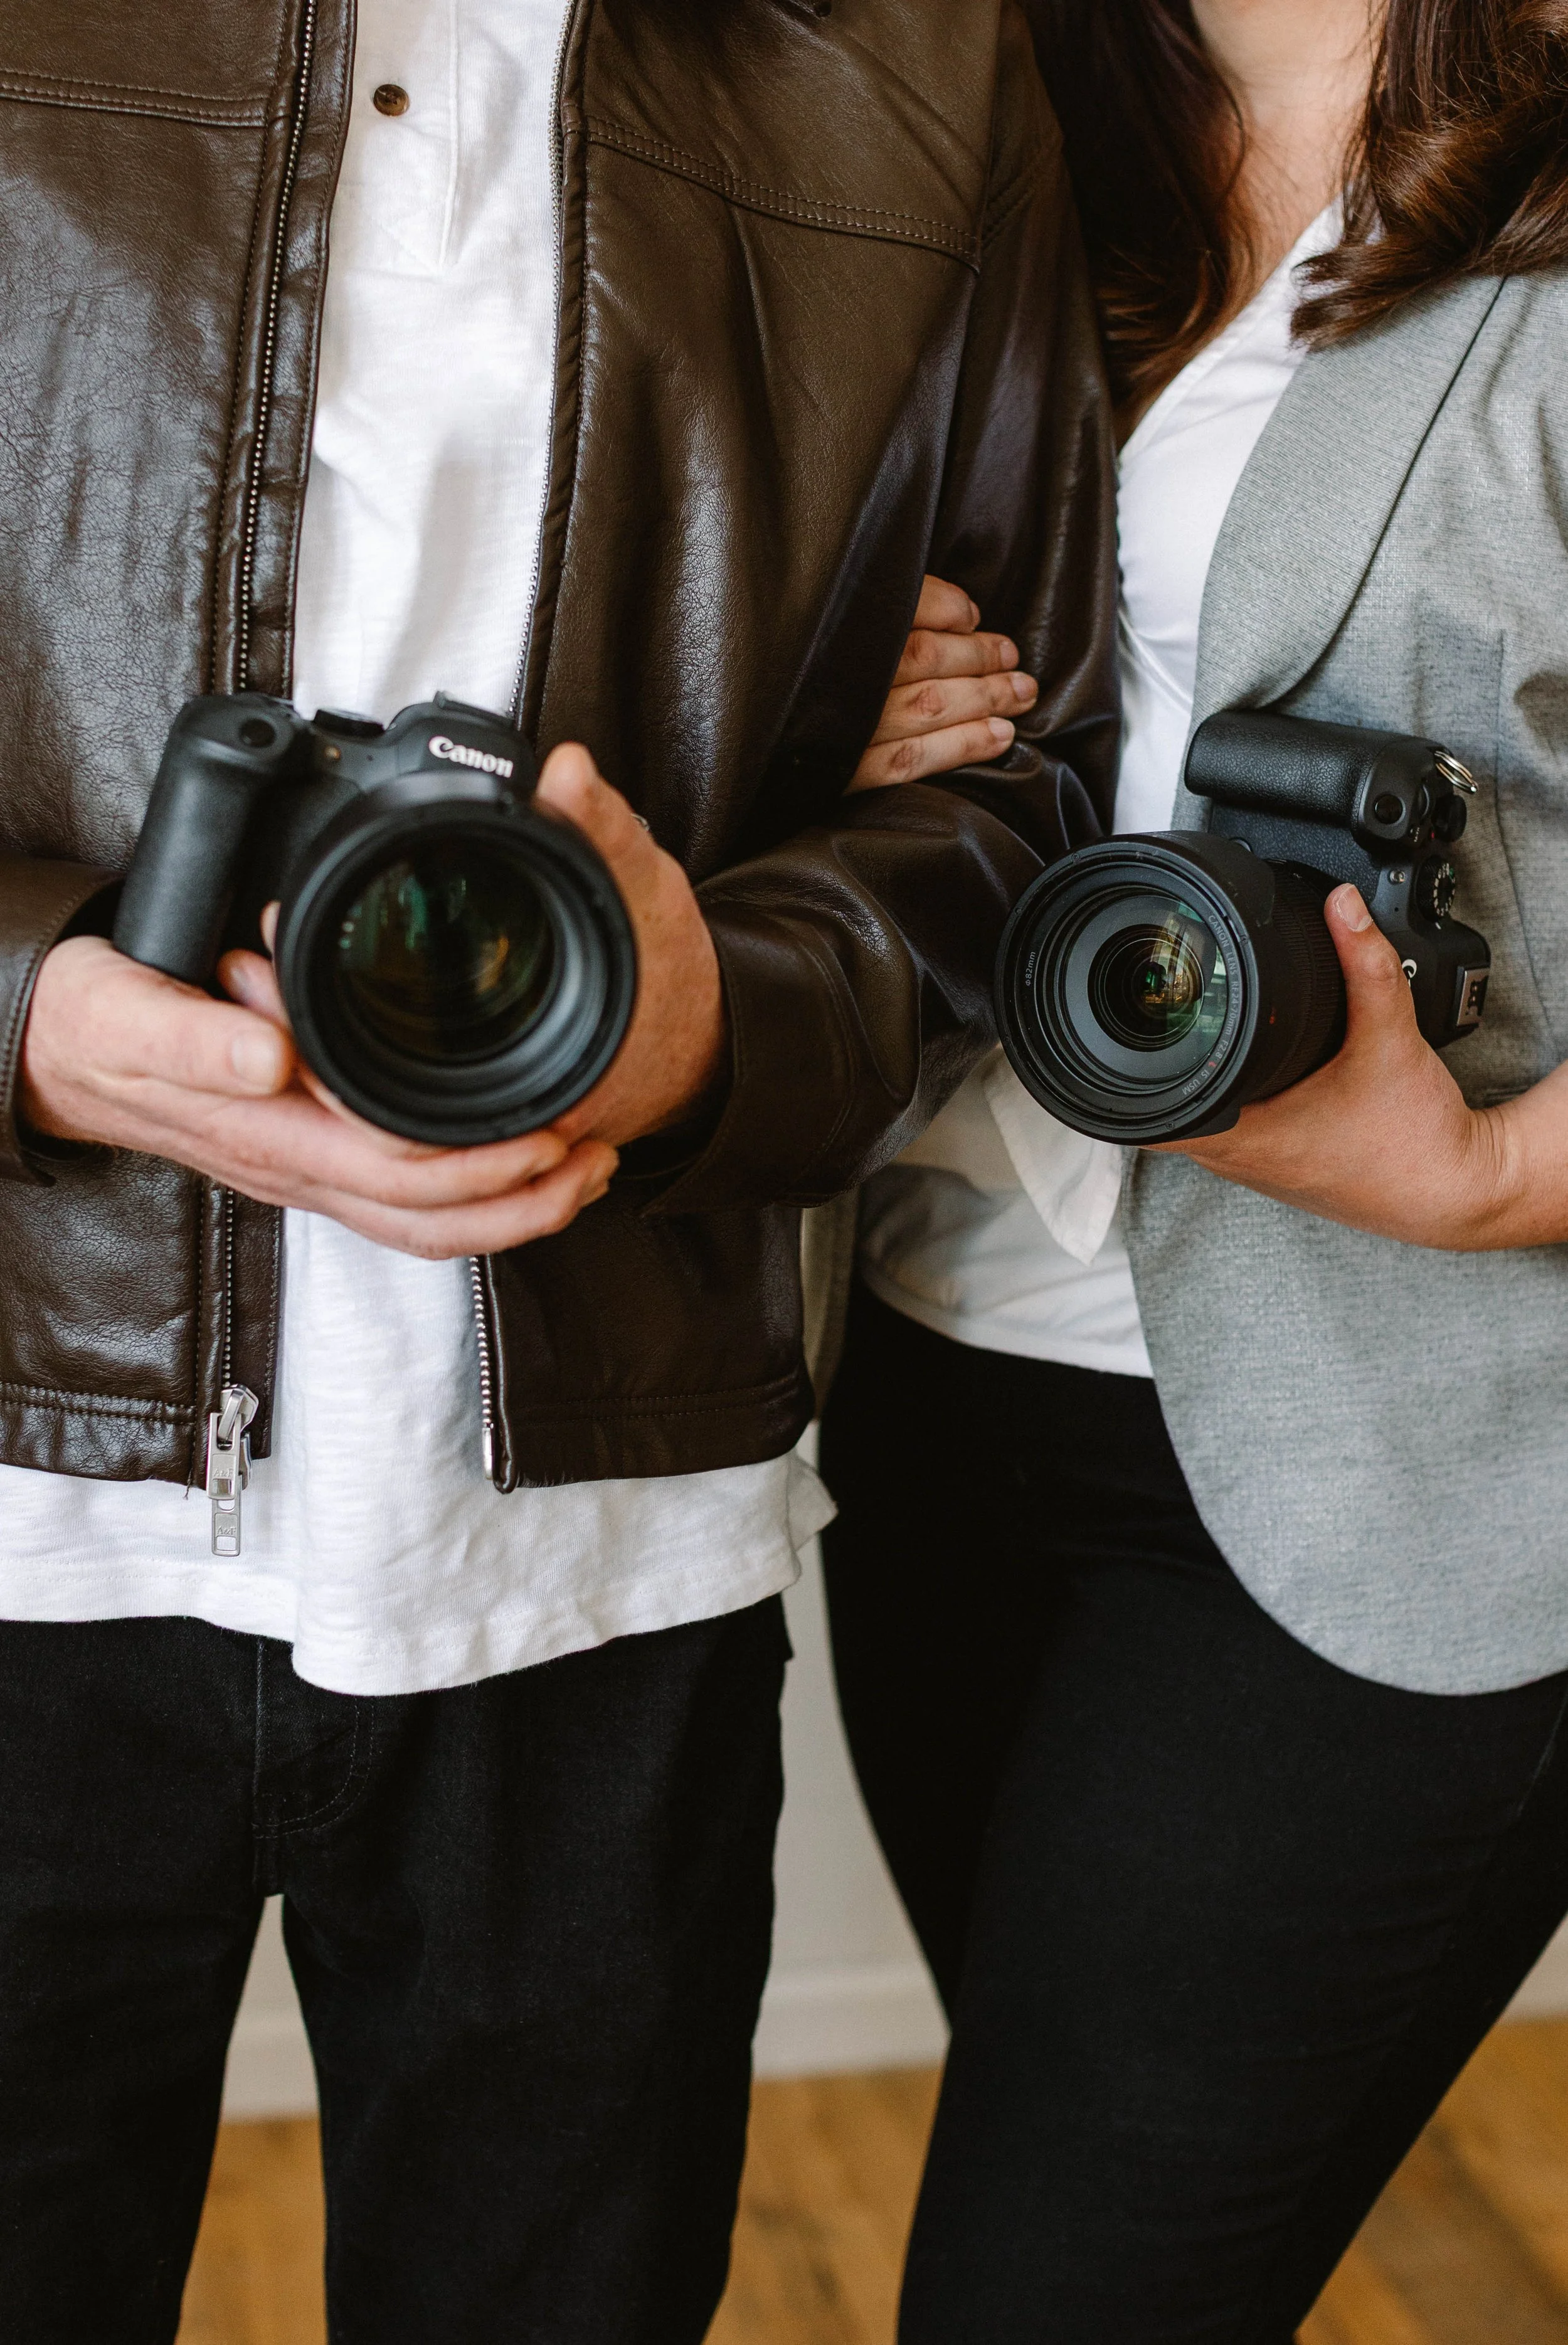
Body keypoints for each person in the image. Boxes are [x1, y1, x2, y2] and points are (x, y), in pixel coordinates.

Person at [0, 3, 1118, 2337]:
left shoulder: (913, 60)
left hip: (600, 1550)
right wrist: (30, 1009)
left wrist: (729, 1017)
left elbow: (1018, 790)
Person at [822, 1, 1568, 2336]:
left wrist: (1482, 1178)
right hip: (941, 1368)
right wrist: (827, 700)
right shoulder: (971, 119)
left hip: (1418, 1467)